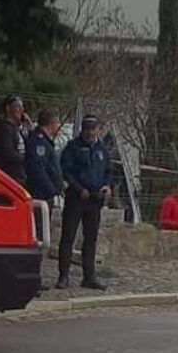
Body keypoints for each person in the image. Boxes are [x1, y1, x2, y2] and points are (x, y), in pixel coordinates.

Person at [57, 115, 112, 291]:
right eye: (87, 128)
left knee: (90, 239)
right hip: (77, 198)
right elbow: (66, 170)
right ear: (82, 129)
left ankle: (89, 276)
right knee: (68, 237)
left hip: (95, 200)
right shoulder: (73, 147)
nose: (89, 132)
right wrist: (79, 188)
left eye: (93, 128)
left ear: (98, 130)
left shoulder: (102, 149)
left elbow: (109, 171)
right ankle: (63, 276)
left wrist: (108, 186)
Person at [26, 108, 63, 238]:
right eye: (57, 123)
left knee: (43, 230)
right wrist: (51, 191)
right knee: (38, 231)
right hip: (41, 194)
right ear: (52, 123)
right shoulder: (39, 142)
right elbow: (38, 169)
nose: (58, 127)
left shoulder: (46, 142)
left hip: (47, 195)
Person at [0, 95, 32, 186]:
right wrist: (27, 158)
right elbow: (7, 154)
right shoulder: (4, 128)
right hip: (10, 178)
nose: (21, 110)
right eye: (18, 106)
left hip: (21, 177)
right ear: (8, 108)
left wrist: (29, 128)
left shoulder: (18, 129)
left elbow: (30, 146)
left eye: (22, 107)